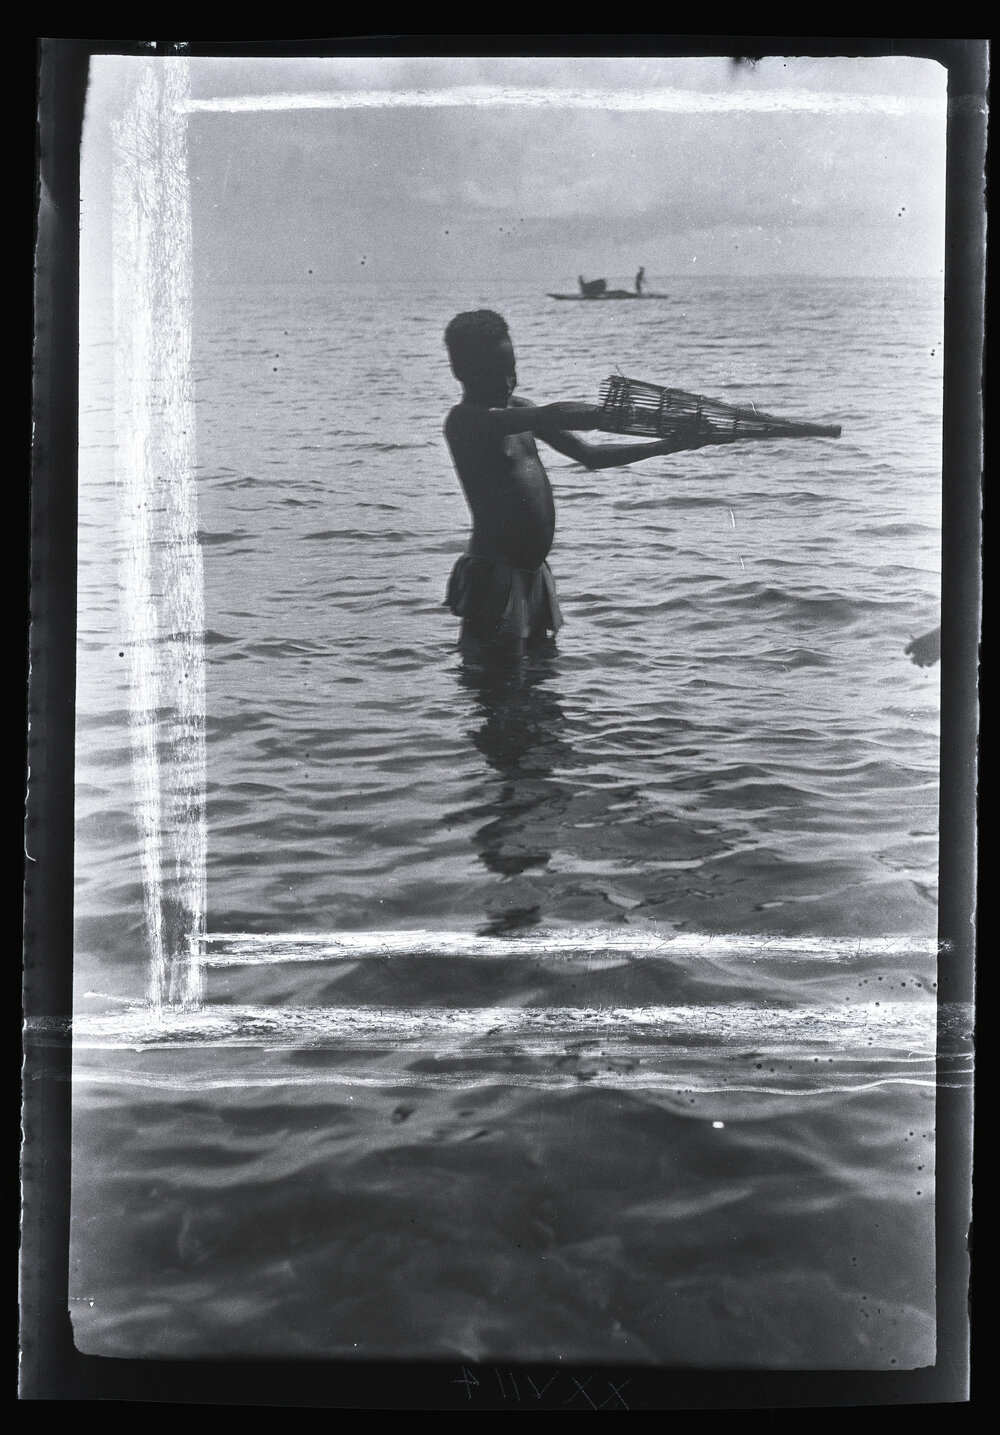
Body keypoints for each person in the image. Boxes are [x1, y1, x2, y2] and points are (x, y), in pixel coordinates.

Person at [442, 309, 729, 651]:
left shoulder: (519, 409)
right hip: (495, 577)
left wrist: (667, 445)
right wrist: (611, 415)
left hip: (534, 576)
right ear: (462, 372)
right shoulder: (466, 422)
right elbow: (552, 413)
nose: (506, 383)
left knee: (540, 685)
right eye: (494, 375)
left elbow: (589, 455)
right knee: (494, 685)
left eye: (511, 371)